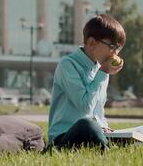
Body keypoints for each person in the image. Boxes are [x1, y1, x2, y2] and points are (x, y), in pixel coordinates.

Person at [47, 14, 125, 150]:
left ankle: (107, 142)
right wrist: (103, 73)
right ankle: (109, 147)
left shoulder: (100, 68)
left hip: (94, 131)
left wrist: (104, 127)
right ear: (92, 43)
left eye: (118, 49)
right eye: (112, 46)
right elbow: (85, 106)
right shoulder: (68, 65)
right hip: (65, 136)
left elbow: (98, 111)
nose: (115, 54)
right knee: (87, 125)